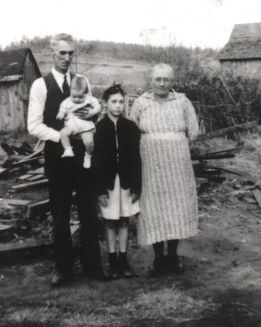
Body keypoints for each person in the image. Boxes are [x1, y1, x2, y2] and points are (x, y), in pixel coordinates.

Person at [27, 33, 103, 286]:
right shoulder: (40, 84)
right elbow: (33, 126)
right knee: (60, 213)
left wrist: (89, 125)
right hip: (58, 157)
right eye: (62, 53)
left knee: (88, 210)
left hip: (83, 156)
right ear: (52, 53)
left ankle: (92, 266)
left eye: (71, 53)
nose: (67, 58)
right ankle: (63, 268)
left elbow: (91, 112)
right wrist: (59, 136)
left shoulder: (82, 81)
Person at [130, 63, 199, 275]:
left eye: (166, 79)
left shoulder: (182, 102)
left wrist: (173, 144)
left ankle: (172, 256)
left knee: (176, 207)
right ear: (151, 80)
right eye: (158, 79)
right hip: (150, 165)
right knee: (154, 209)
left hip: (177, 165)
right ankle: (159, 258)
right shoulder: (141, 103)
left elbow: (193, 131)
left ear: (172, 81)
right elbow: (131, 131)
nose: (161, 83)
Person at [92, 84, 141, 279]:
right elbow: (95, 161)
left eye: (121, 102)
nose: (118, 106)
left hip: (126, 181)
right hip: (107, 183)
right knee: (110, 221)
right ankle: (112, 261)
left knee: (124, 220)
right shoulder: (99, 128)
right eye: (113, 102)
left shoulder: (130, 127)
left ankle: (123, 259)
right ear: (105, 104)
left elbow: (136, 158)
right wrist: (99, 189)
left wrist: (137, 185)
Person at [57, 74, 101, 168]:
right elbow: (62, 109)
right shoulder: (67, 101)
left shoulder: (89, 99)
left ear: (85, 93)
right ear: (70, 92)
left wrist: (92, 112)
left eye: (80, 97)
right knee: (63, 133)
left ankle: (88, 155)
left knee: (89, 142)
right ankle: (68, 149)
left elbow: (98, 106)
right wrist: (61, 114)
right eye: (74, 97)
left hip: (85, 126)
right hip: (71, 126)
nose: (77, 100)